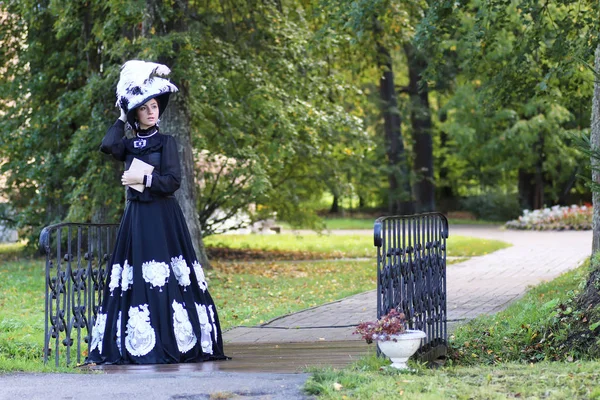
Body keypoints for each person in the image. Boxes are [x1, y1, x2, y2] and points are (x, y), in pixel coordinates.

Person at [87, 60, 226, 364]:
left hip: (163, 218)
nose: (152, 111)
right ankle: (137, 341)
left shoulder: (167, 142)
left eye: (154, 106)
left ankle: (174, 339)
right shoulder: (129, 143)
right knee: (136, 275)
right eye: (144, 107)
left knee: (166, 276)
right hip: (137, 218)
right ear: (136, 113)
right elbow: (107, 145)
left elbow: (173, 182)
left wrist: (143, 179)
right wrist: (122, 114)